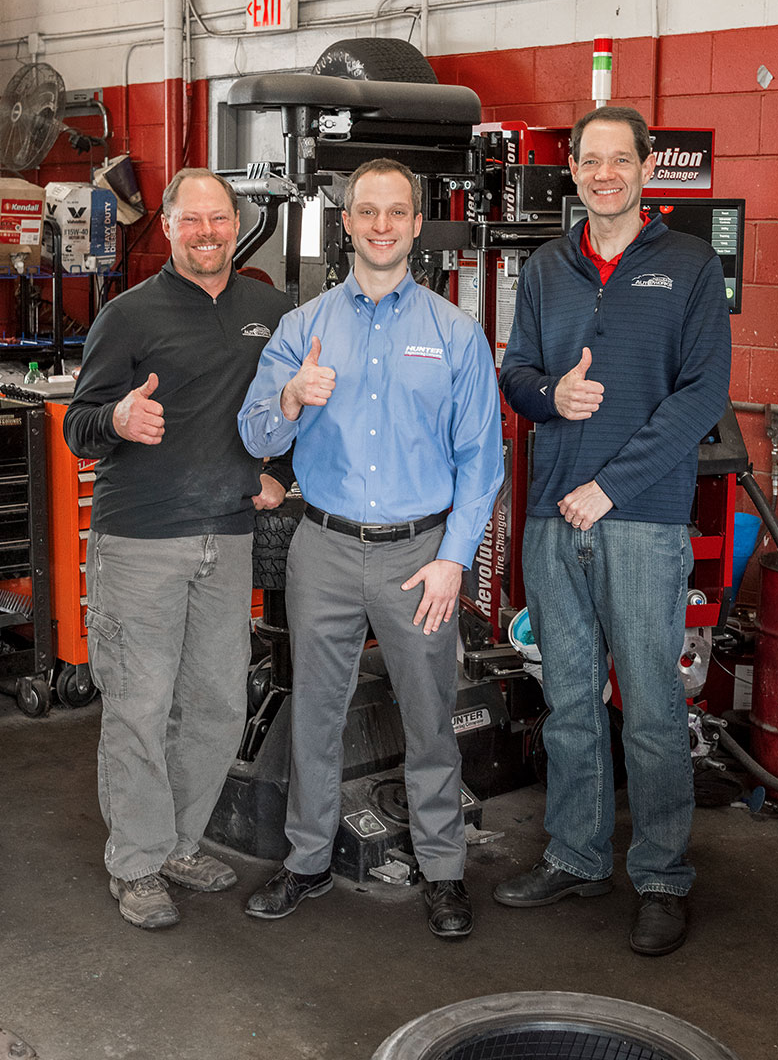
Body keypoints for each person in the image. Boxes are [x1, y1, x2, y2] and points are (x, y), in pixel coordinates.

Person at [238, 158, 504, 939]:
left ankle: (444, 868)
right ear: (345, 223)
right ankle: (308, 859)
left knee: (430, 718)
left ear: (417, 225)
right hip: (321, 548)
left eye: (397, 212)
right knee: (315, 715)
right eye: (367, 212)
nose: (382, 225)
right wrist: (289, 397)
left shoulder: (453, 334)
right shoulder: (303, 328)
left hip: (419, 556)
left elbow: (480, 465)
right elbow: (256, 432)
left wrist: (454, 559)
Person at [492, 106, 731, 956]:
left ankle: (662, 876)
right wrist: (549, 396)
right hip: (551, 515)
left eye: (618, 160)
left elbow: (700, 396)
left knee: (654, 709)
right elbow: (513, 373)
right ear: (575, 173)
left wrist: (611, 485)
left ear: (644, 168)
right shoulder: (547, 268)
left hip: (639, 520)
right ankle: (578, 853)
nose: (604, 174)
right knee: (567, 701)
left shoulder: (691, 267)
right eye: (590, 161)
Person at [64, 168, 294, 930]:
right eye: (190, 220)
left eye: (218, 220)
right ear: (167, 227)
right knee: (138, 706)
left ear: (237, 223)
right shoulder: (128, 316)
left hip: (226, 538)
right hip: (139, 541)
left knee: (220, 706)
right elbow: (79, 426)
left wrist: (275, 474)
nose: (206, 233)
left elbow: (289, 410)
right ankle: (135, 862)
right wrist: (118, 420)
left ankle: (177, 844)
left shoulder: (271, 309)